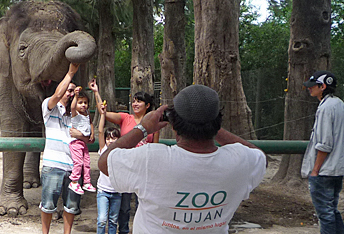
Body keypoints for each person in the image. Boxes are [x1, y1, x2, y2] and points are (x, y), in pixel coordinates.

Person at [97, 84, 268, 233]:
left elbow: (105, 163)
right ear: (217, 122)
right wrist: (210, 125)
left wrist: (142, 128)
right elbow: (260, 157)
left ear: (174, 125)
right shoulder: (240, 161)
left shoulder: (152, 159)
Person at [88, 79, 158, 234]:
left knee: (143, 205)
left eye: (139, 101)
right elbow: (103, 111)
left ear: (147, 105)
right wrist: (96, 92)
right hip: (127, 168)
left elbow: (155, 147)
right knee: (125, 207)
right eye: (133, 101)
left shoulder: (153, 124)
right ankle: (124, 231)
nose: (135, 104)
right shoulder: (126, 118)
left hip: (144, 170)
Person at [301, 70, 344, 234]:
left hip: (325, 170)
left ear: (323, 86)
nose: (310, 89)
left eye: (313, 86)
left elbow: (325, 143)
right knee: (332, 210)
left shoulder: (325, 108)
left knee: (325, 214)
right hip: (337, 170)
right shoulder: (339, 104)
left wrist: (315, 170)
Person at [39, 63, 87, 234]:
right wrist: (70, 73)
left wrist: (81, 135)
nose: (70, 92)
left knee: (71, 206)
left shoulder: (78, 115)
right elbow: (58, 94)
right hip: (53, 165)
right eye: (68, 89)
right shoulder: (49, 107)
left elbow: (89, 137)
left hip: (74, 168)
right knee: (48, 205)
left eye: (73, 90)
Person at [95, 99, 122, 234]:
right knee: (102, 220)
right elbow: (100, 131)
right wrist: (102, 115)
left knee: (113, 220)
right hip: (103, 191)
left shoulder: (122, 152)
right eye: (108, 138)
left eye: (114, 138)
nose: (110, 141)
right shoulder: (103, 150)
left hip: (117, 192)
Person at [67, 86, 96, 195]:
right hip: (76, 142)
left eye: (85, 102)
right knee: (78, 162)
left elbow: (91, 123)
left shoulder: (87, 114)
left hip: (84, 143)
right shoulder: (75, 114)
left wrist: (92, 133)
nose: (83, 105)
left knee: (87, 162)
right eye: (80, 102)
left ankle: (87, 182)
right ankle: (74, 181)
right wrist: (76, 96)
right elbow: (73, 107)